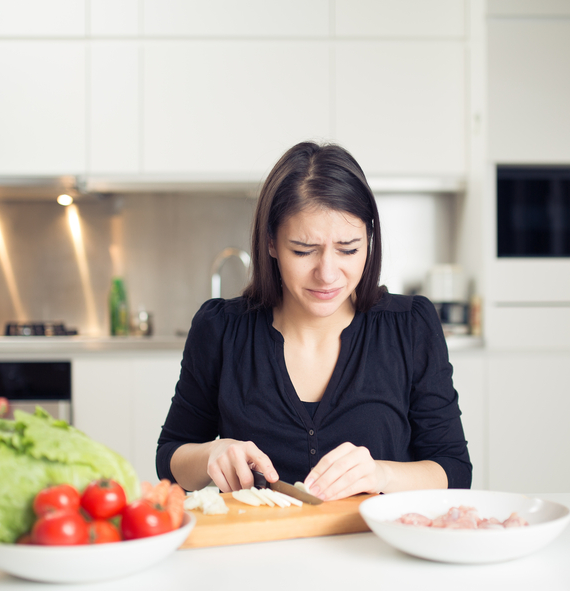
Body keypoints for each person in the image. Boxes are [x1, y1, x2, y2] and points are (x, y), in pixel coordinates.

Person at [156, 141, 470, 501]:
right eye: (303, 251)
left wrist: (381, 472)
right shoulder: (221, 330)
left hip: (374, 552)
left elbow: (454, 470)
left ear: (369, 240)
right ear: (271, 242)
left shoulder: (409, 326)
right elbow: (169, 459)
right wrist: (211, 453)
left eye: (348, 249)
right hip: (257, 552)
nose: (327, 274)